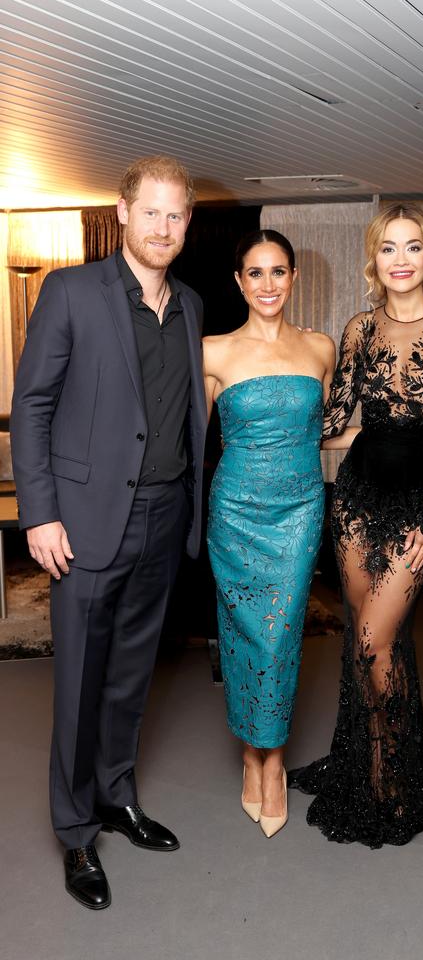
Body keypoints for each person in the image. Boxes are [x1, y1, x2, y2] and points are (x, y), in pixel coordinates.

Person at [10, 155, 206, 910]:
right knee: (79, 682)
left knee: (131, 675)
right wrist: (40, 512)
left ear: (188, 221)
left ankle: (117, 796)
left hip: (162, 518)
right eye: (150, 211)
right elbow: (32, 406)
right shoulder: (70, 292)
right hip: (84, 525)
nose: (163, 226)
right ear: (122, 213)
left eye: (176, 214)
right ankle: (74, 832)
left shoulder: (189, 303)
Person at [288, 203, 423, 848]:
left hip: (418, 506)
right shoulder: (359, 330)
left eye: (413, 247)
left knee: (373, 637)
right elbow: (338, 416)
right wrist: (281, 391)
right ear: (374, 260)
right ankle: (383, 757)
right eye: (389, 248)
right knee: (372, 641)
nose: (401, 259)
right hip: (358, 499)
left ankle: (388, 773)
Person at [203, 229, 335, 838]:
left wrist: (379, 438)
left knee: (281, 634)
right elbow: (186, 439)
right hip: (235, 512)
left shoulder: (319, 349)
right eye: (255, 274)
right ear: (238, 281)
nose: (268, 285)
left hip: (301, 508)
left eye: (278, 272)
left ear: (294, 278)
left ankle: (272, 760)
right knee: (242, 633)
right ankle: (250, 757)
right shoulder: (212, 353)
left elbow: (318, 432)